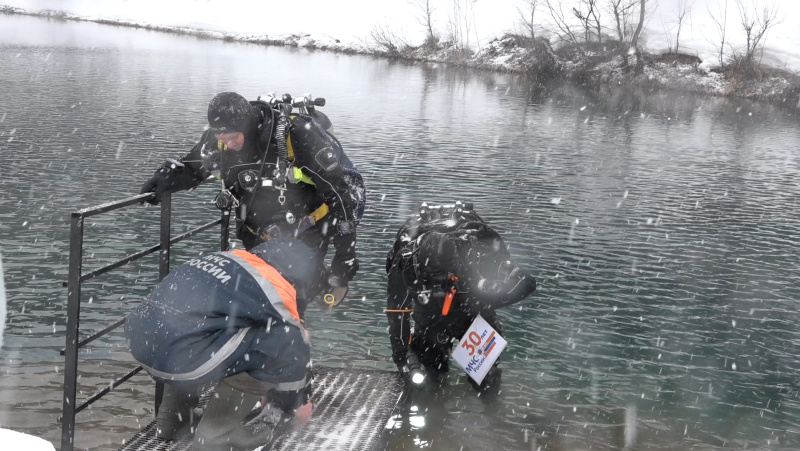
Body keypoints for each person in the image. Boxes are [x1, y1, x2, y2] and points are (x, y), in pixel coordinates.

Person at [138, 91, 364, 308]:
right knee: (258, 294)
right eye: (222, 138)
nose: (228, 144)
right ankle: (310, 286)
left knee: (289, 300)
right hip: (256, 233)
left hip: (308, 231)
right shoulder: (219, 139)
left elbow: (339, 193)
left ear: (247, 126)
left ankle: (298, 315)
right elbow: (193, 168)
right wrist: (165, 178)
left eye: (233, 138)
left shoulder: (296, 136)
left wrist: (345, 255)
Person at [125, 238, 327, 450]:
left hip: (142, 339)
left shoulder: (230, 258)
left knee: (195, 326)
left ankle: (173, 419)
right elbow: (296, 344)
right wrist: (295, 401)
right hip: (184, 356)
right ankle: (217, 434)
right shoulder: (276, 286)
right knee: (283, 340)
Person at [385, 202, 537, 391]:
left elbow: (526, 283)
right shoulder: (404, 264)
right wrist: (403, 358)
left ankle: (488, 407)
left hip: (473, 315)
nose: (442, 286)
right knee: (427, 381)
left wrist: (485, 297)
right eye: (437, 281)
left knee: (487, 381)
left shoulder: (478, 253)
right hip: (430, 318)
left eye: (448, 279)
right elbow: (397, 312)